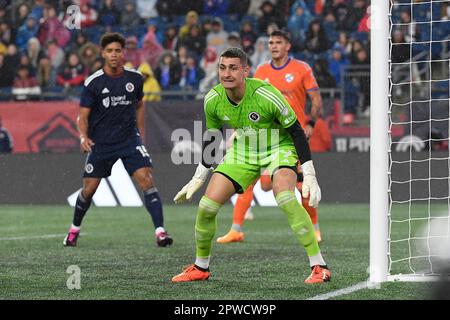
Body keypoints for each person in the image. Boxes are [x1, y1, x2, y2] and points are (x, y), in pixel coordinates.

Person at [171, 47, 330, 284]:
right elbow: (212, 137)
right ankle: (200, 267)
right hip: (244, 151)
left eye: (233, 68)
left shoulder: (266, 95)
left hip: (279, 147)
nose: (226, 73)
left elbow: (296, 131)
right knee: (206, 206)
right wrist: (199, 176)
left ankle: (319, 266)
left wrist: (309, 173)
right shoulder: (213, 99)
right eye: (222, 67)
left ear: (245, 71)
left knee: (285, 197)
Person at [63, 33, 173, 248]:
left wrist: (140, 134)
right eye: (109, 51)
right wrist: (83, 137)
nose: (114, 55)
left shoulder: (134, 79)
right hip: (101, 143)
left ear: (123, 53)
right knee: (89, 189)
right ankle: (74, 229)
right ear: (103, 53)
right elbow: (82, 116)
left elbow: (140, 105)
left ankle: (160, 232)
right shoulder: (93, 82)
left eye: (118, 51)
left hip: (128, 140)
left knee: (146, 179)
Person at [217, 30, 325, 244]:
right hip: (264, 134)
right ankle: (236, 229)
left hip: (292, 134)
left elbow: (316, 100)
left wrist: (311, 124)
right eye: (271, 42)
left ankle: (315, 230)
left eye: (278, 42)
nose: (274, 46)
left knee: (302, 184)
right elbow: (250, 100)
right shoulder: (261, 70)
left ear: (288, 46)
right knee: (251, 181)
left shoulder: (301, 68)